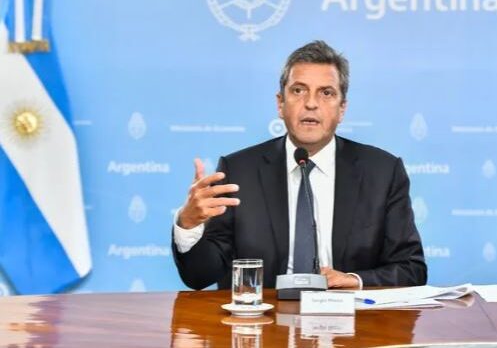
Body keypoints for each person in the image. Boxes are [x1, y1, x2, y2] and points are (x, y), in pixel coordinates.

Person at [172, 40, 427, 290]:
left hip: (349, 314)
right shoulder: (239, 171)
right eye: (298, 90)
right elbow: (199, 276)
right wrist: (188, 224)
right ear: (280, 104)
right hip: (265, 314)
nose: (311, 103)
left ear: (342, 109)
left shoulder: (382, 172)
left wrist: (354, 280)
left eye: (326, 93)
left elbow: (411, 269)